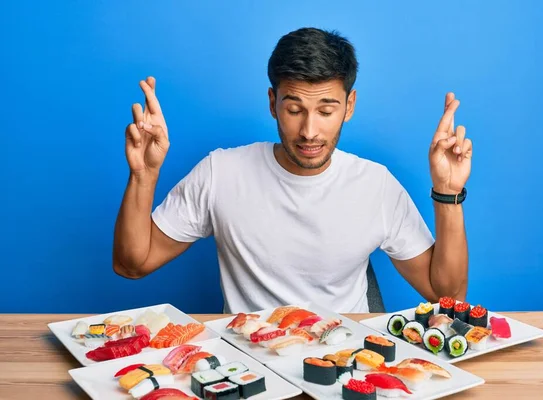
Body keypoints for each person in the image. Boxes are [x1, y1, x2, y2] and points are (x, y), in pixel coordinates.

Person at [113, 27, 472, 314]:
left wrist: (447, 191)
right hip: (251, 366)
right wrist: (144, 176)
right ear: (273, 103)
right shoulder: (220, 172)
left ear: (349, 106)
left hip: (346, 366)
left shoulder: (375, 185)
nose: (309, 130)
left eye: (326, 110)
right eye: (294, 108)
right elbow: (132, 264)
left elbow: (447, 293)